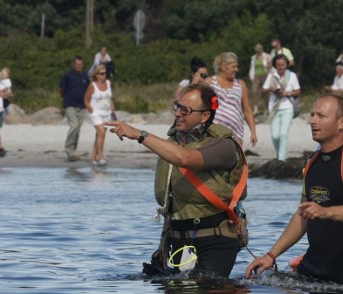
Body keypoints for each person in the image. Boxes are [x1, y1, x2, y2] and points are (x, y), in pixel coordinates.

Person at [105, 83, 248, 278]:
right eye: (177, 107)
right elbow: (172, 202)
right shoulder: (172, 144)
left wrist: (140, 135)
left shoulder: (223, 145)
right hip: (179, 241)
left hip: (216, 240)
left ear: (205, 116)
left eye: (185, 110)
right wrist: (163, 245)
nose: (178, 113)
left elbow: (187, 159)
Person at [245, 94, 343, 286]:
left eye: (321, 116)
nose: (312, 121)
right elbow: (303, 214)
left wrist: (325, 211)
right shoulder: (311, 162)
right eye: (312, 115)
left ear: (342, 122)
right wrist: (271, 254)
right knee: (254, 289)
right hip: (311, 269)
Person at [207, 52, 258, 146]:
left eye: (237, 66)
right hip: (213, 130)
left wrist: (253, 132)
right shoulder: (210, 82)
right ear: (223, 67)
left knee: (235, 159)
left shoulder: (240, 84)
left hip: (235, 130)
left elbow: (247, 110)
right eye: (233, 67)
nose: (236, 69)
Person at [263, 54, 301, 161]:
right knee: (275, 135)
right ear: (275, 65)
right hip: (274, 108)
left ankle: (282, 158)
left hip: (287, 107)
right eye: (278, 65)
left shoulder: (292, 76)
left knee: (283, 133)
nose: (280, 67)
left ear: (286, 65)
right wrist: (272, 88)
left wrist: (287, 93)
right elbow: (263, 90)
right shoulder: (271, 75)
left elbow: (298, 91)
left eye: (283, 65)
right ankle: (279, 154)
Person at [60, 55, 90, 162]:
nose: (79, 66)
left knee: (77, 130)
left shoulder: (85, 76)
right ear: (74, 64)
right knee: (74, 125)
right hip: (70, 105)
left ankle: (73, 152)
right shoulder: (68, 75)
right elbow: (61, 89)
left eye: (81, 64)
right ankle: (69, 150)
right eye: (77, 64)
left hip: (82, 106)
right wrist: (66, 99)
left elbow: (89, 90)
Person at [84, 64, 114, 167]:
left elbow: (110, 98)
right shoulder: (92, 86)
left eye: (105, 73)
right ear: (96, 75)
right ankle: (101, 157)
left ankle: (93, 159)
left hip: (106, 113)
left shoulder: (108, 83)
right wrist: (91, 110)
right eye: (101, 73)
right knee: (101, 132)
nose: (104, 75)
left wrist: (112, 108)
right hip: (96, 113)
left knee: (99, 136)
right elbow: (86, 100)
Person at [248, 44, 272, 116]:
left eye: (259, 51)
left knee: (265, 92)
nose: (258, 53)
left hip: (265, 75)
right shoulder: (254, 57)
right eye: (257, 51)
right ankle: (255, 108)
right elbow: (252, 67)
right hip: (256, 75)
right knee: (254, 91)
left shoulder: (267, 56)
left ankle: (267, 108)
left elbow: (270, 65)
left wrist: (268, 65)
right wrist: (251, 76)